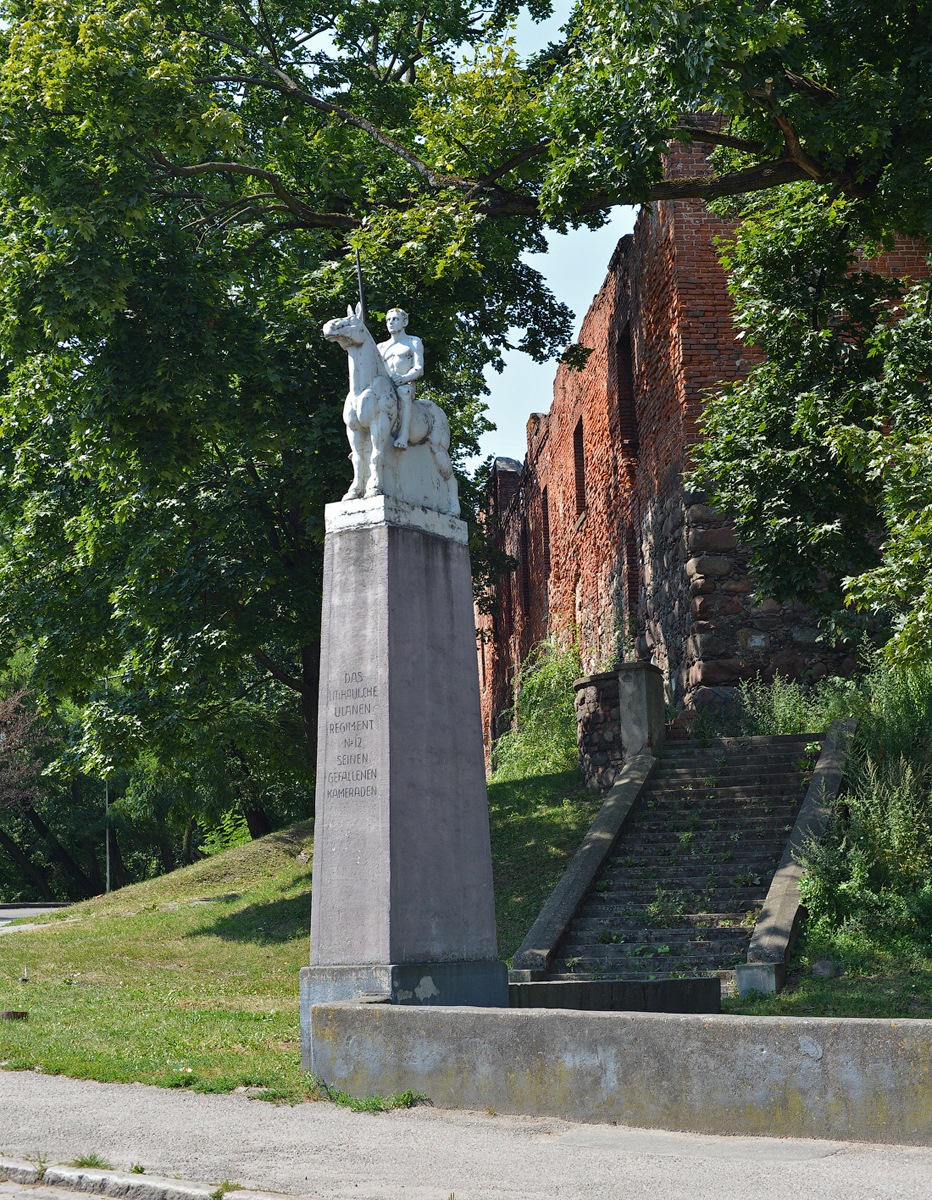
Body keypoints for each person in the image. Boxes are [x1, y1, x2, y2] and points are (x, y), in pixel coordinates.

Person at [377, 308, 423, 450]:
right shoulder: (380, 347)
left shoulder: (413, 341)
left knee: (404, 393)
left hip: (405, 385)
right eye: (388, 320)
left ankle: (403, 436)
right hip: (385, 386)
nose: (390, 323)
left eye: (395, 319)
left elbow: (419, 368)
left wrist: (404, 378)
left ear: (405, 321)